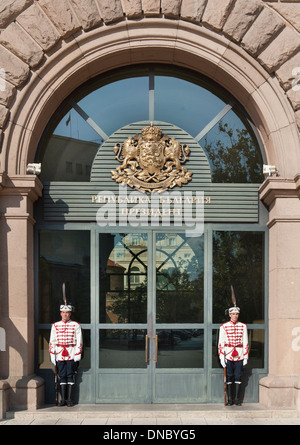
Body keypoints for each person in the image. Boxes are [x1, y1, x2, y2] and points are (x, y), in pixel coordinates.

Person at [49, 303, 83, 407]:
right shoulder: (55, 325)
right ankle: (63, 399)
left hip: (71, 352)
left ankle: (69, 400)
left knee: (70, 375)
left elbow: (79, 341)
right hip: (59, 353)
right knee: (62, 375)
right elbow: (52, 341)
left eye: (67, 313)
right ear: (60, 313)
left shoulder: (76, 325)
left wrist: (77, 354)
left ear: (70, 314)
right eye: (63, 312)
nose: (65, 314)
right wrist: (52, 354)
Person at [218, 305, 249, 406]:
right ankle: (230, 399)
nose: (235, 316)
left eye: (237, 314)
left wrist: (245, 356)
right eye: (233, 314)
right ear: (230, 315)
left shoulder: (243, 326)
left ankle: (237, 399)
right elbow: (221, 343)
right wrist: (221, 357)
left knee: (238, 376)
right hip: (228, 354)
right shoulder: (224, 326)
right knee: (229, 377)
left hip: (239, 354)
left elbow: (245, 342)